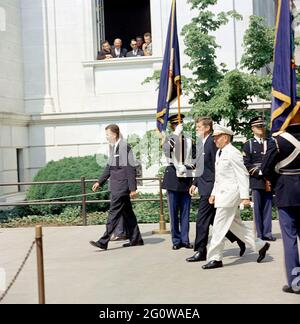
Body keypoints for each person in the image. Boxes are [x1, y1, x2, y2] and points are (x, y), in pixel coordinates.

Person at [202, 124, 270, 270]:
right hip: (222, 194)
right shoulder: (220, 153)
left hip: (230, 195)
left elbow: (242, 174)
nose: (214, 140)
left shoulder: (233, 152)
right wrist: (213, 193)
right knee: (237, 226)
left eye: (217, 137)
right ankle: (261, 245)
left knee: (219, 227)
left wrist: (245, 196)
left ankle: (215, 258)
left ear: (225, 138)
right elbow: (219, 178)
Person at [187, 117, 245, 262]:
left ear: (207, 128)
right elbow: (201, 167)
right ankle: (239, 238)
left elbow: (216, 169)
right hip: (205, 185)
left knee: (201, 220)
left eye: (199, 127)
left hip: (212, 188)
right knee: (213, 219)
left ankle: (200, 251)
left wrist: (214, 190)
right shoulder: (202, 143)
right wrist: (195, 182)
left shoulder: (213, 144)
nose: (196, 129)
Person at [261, 114, 300, 294]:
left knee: (290, 239)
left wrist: (279, 181)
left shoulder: (278, 140)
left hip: (286, 192)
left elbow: (266, 168)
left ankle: (296, 283)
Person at [89, 124, 144, 250]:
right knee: (128, 214)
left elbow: (130, 169)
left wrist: (132, 189)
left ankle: (103, 241)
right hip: (118, 186)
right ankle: (136, 239)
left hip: (121, 187)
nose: (106, 137)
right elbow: (109, 167)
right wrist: (99, 182)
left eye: (107, 134)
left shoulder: (124, 147)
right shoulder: (115, 147)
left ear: (114, 134)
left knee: (113, 214)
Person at [162, 114, 195, 250]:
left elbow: (195, 159)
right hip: (173, 179)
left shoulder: (189, 140)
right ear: (172, 126)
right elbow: (166, 150)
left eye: (179, 125)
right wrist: (175, 134)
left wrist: (186, 166)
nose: (179, 127)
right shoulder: (169, 139)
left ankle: (185, 239)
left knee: (186, 212)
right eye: (176, 125)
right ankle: (176, 240)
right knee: (173, 212)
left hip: (186, 177)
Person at [243, 116, 276, 241]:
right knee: (257, 208)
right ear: (252, 129)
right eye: (258, 127)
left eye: (262, 126)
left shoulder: (271, 142)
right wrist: (259, 171)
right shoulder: (248, 144)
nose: (261, 129)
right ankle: (259, 234)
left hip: (268, 178)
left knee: (268, 206)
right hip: (256, 179)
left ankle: (267, 232)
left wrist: (268, 172)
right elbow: (246, 163)